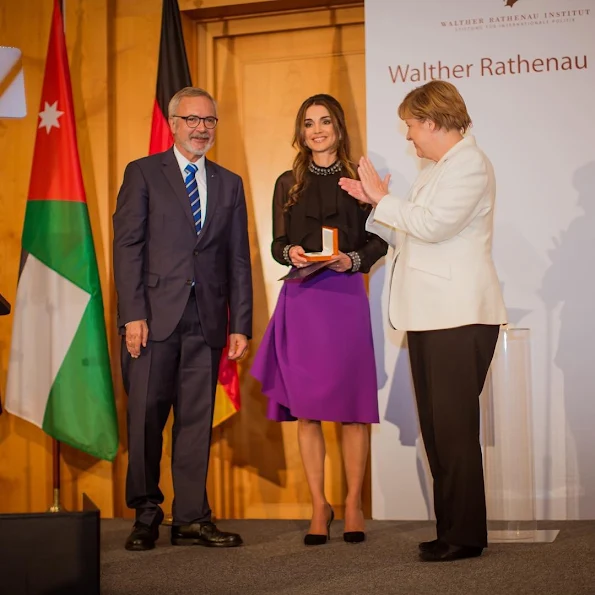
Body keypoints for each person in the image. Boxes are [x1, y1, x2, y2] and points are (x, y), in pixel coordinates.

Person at [339, 80, 507, 562]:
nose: (409, 136)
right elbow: (411, 231)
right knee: (437, 429)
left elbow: (433, 225)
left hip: (458, 316)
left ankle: (466, 536)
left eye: (411, 126)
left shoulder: (469, 164)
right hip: (433, 316)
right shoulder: (440, 168)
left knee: (453, 430)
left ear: (432, 122)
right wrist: (376, 203)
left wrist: (384, 200)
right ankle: (452, 529)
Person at [113, 86, 252, 551]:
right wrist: (132, 314)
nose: (201, 128)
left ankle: (191, 517)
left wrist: (240, 322)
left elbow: (238, 259)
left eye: (209, 121)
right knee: (147, 419)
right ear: (172, 124)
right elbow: (128, 247)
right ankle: (146, 514)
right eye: (192, 119)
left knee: (196, 421)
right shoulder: (143, 173)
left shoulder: (229, 183)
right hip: (152, 320)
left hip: (208, 322)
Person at [251, 94, 387, 546]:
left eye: (325, 121)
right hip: (302, 296)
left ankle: (352, 504)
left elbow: (380, 242)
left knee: (351, 411)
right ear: (301, 131)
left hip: (344, 297)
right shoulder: (287, 181)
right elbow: (277, 243)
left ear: (339, 127)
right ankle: (318, 505)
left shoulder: (357, 179)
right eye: (308, 123)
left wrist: (352, 259)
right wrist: (287, 251)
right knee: (307, 411)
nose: (317, 130)